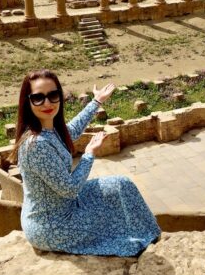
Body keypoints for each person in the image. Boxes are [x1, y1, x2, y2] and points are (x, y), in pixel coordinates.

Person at [10, 69, 160, 257]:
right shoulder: (36, 145)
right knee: (111, 213)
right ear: (28, 101)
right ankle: (142, 243)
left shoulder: (49, 129)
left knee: (122, 185)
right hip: (53, 226)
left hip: (64, 207)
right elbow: (70, 189)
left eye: (53, 95)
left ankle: (153, 237)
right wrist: (89, 154)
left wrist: (96, 101)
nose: (47, 103)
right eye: (38, 98)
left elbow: (71, 130)